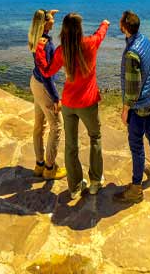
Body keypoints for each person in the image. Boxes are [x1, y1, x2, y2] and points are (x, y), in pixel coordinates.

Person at [55, 13, 111, 197]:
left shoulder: (61, 50)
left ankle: (75, 187)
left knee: (71, 146)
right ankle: (95, 182)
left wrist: (38, 45)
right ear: (80, 29)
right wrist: (104, 22)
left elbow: (47, 70)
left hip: (68, 104)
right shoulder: (89, 44)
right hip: (87, 103)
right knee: (95, 137)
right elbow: (100, 34)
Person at [115, 11, 150, 203]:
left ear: (124, 27)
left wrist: (125, 110)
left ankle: (136, 188)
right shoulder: (144, 40)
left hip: (139, 105)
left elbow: (132, 89)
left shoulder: (132, 53)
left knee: (136, 146)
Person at [27, 10, 65, 180]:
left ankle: (39, 164)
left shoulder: (35, 37)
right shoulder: (45, 44)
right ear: (44, 24)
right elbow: (47, 74)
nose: (54, 22)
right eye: (51, 20)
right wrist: (56, 98)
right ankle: (50, 168)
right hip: (44, 87)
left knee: (38, 126)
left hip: (34, 83)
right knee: (57, 127)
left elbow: (41, 71)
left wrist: (47, 15)